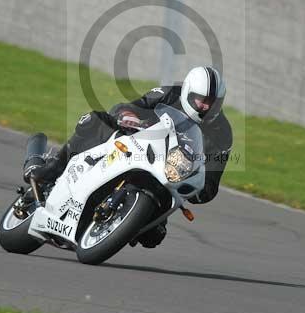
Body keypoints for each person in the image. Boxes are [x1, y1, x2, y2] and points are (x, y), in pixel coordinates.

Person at [24, 66, 233, 248]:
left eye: (213, 102)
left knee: (154, 237)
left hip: (168, 177)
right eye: (201, 100)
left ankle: (113, 225)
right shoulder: (170, 93)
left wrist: (193, 187)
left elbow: (211, 185)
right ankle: (53, 167)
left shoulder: (223, 134)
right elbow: (131, 106)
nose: (206, 106)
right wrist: (129, 116)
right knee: (95, 120)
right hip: (137, 143)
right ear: (188, 92)